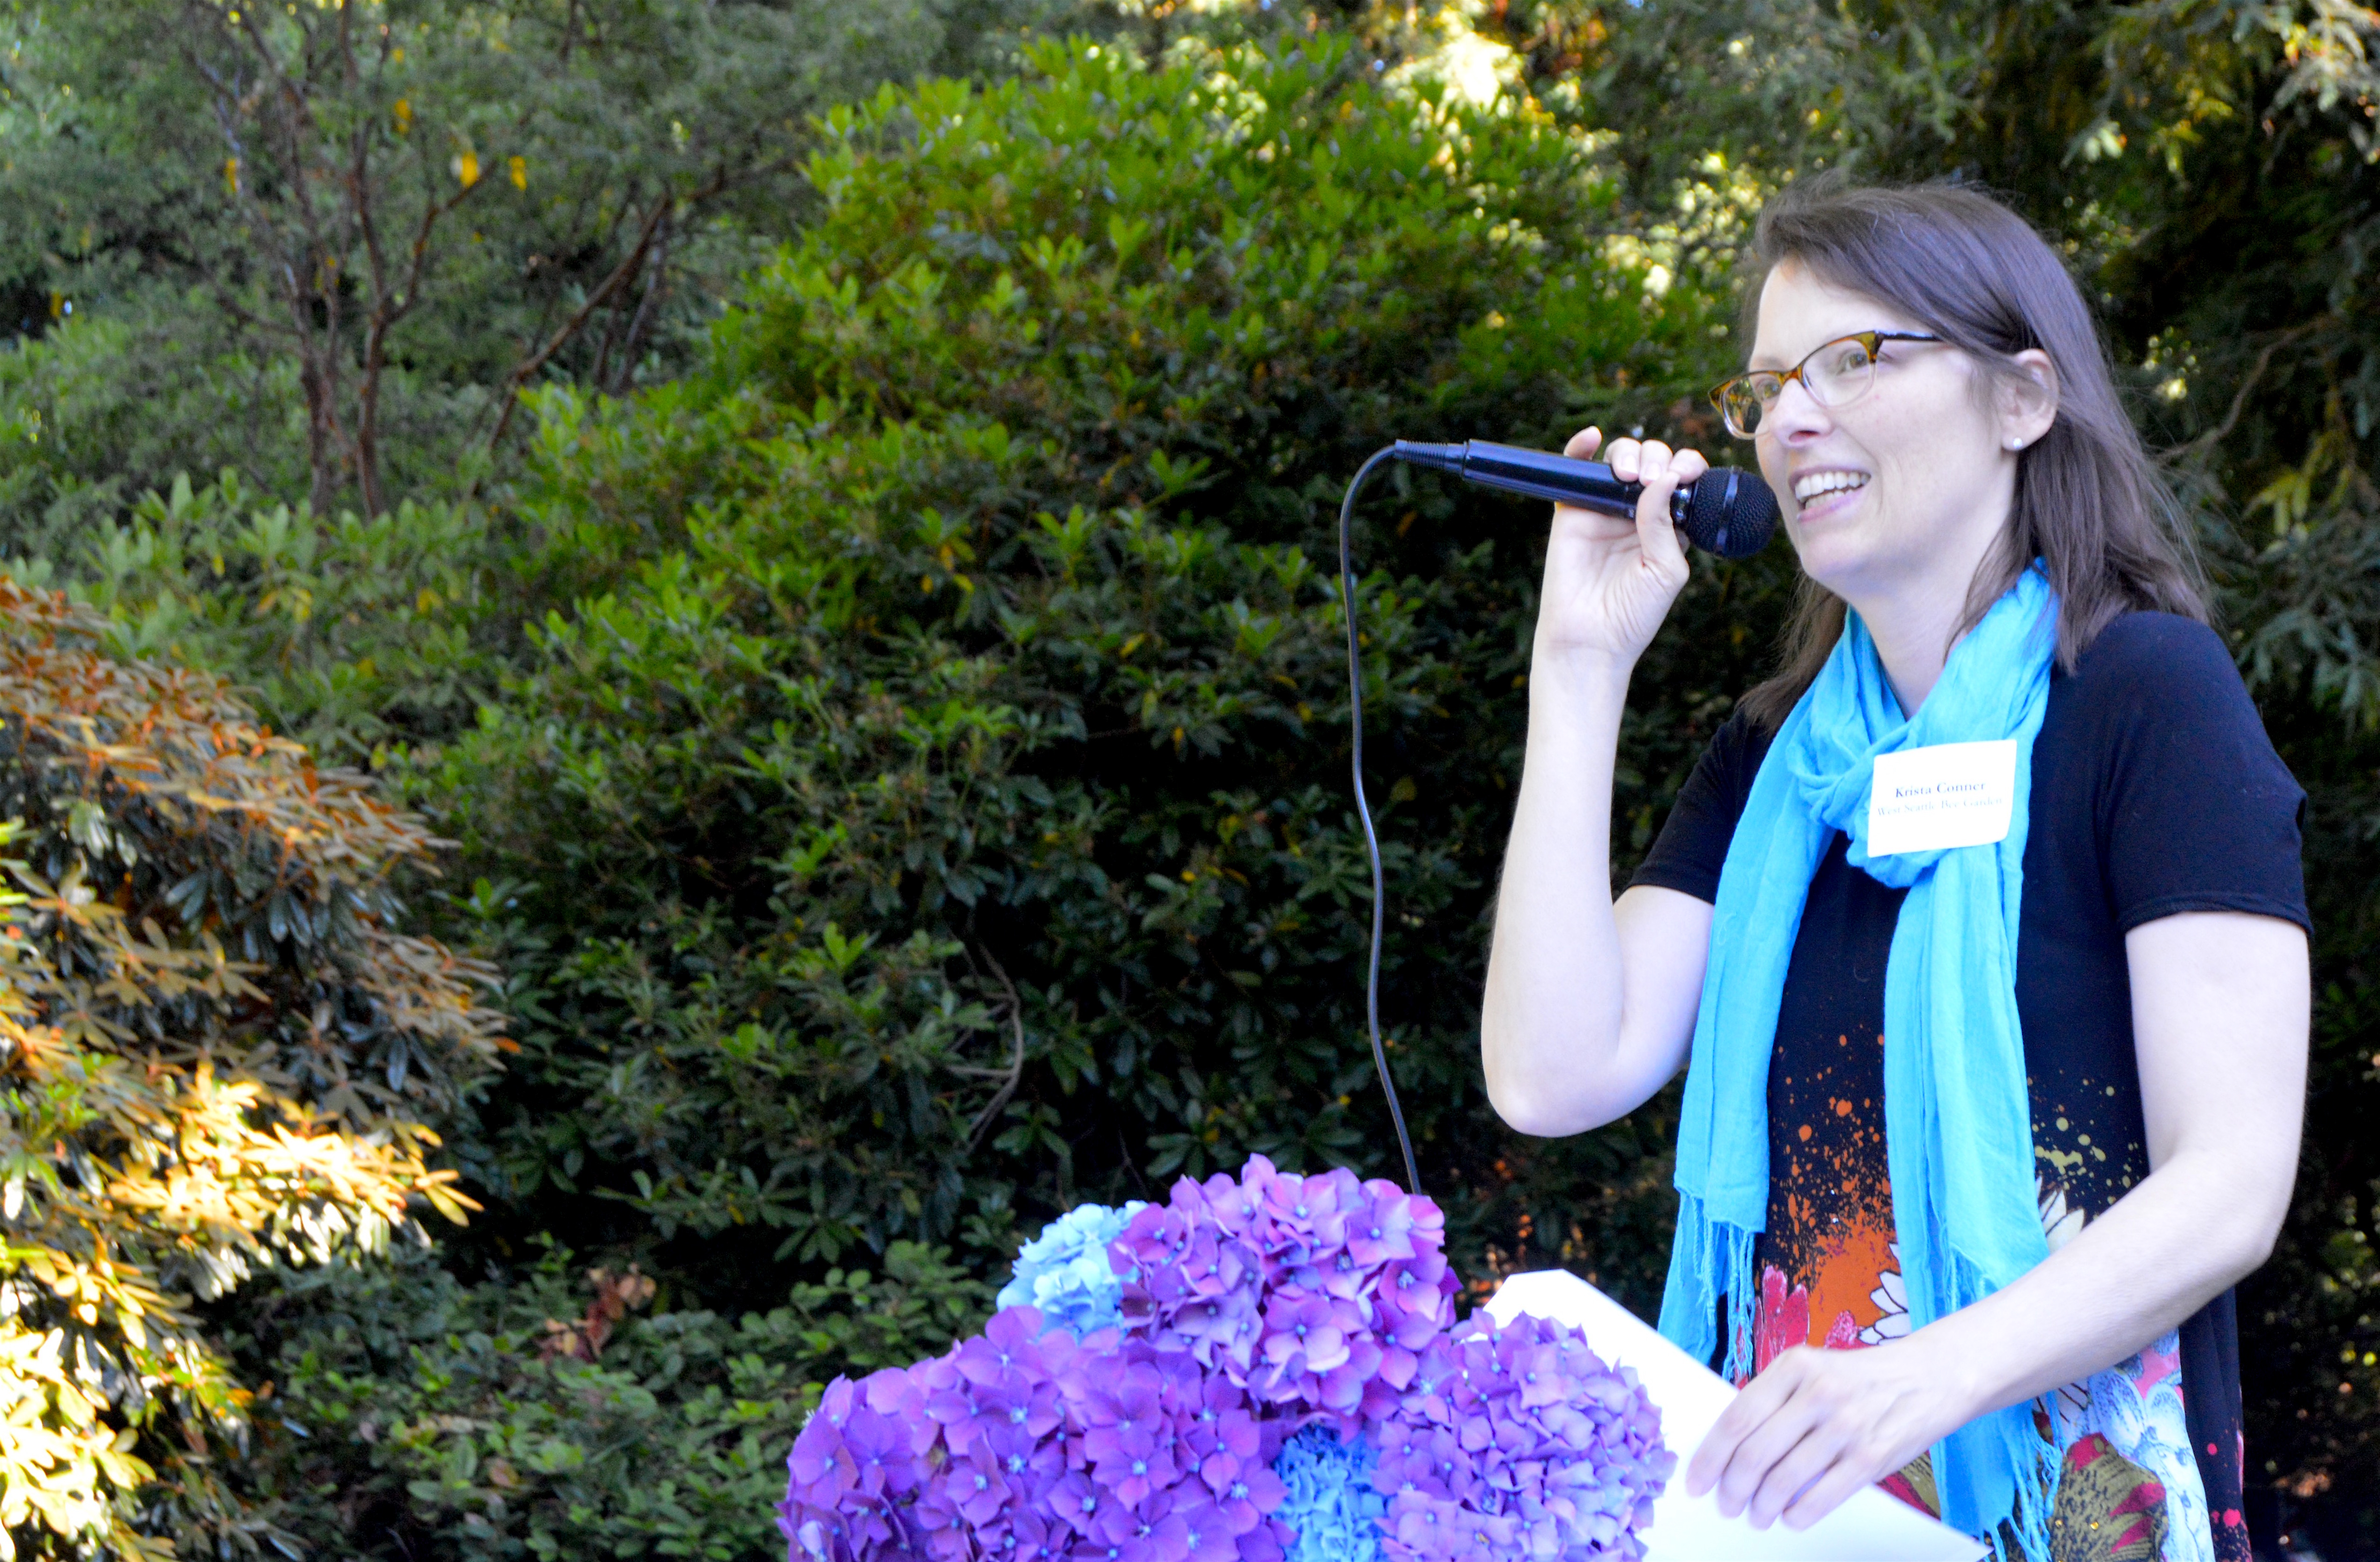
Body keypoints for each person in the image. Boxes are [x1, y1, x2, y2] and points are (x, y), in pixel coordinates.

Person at [1478, 175, 2309, 1562]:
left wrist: (1923, 1378)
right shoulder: (1769, 761)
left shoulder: (2144, 696)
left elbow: (2228, 1179)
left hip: (2080, 1509)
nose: (1793, 415)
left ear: (2021, 400)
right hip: (1804, 1521)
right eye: (1766, 386)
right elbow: (1554, 1075)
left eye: (1854, 359)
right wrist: (1576, 670)